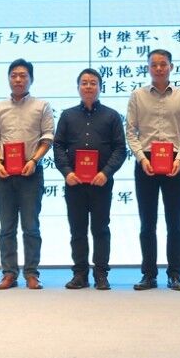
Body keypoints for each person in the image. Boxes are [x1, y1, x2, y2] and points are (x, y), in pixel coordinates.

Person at [125, 49, 180, 291]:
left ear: (171, 67)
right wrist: (140, 158)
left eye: (163, 64)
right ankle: (149, 274)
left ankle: (175, 274)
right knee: (147, 223)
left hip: (175, 162)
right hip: (146, 162)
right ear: (148, 68)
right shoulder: (137, 96)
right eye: (154, 64)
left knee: (174, 222)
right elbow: (131, 131)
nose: (158, 68)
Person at [52, 68, 126, 290]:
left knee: (101, 229)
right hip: (74, 183)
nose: (88, 86)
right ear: (78, 87)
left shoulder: (112, 116)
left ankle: (101, 274)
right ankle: (80, 274)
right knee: (77, 229)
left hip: (101, 183)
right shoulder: (67, 116)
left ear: (100, 87)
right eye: (84, 83)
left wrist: (106, 173)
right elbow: (58, 146)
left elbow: (120, 149)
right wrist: (67, 172)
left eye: (93, 83)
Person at [0, 59, 54, 290]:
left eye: (23, 75)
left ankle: (32, 273)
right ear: (8, 79)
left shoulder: (42, 106)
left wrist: (34, 160)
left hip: (30, 171)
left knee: (31, 226)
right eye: (14, 75)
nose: (18, 79)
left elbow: (48, 136)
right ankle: (9, 274)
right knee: (6, 227)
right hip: (4, 172)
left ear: (31, 79)